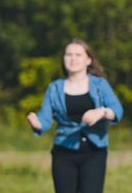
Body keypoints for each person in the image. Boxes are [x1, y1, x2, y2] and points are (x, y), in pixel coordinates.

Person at [26, 39, 123, 193]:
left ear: (88, 60)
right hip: (63, 153)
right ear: (63, 59)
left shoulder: (100, 85)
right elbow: (44, 119)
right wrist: (36, 123)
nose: (73, 58)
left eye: (78, 54)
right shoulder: (54, 88)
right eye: (68, 54)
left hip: (94, 152)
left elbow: (117, 110)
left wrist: (101, 112)